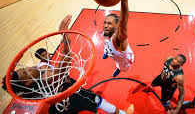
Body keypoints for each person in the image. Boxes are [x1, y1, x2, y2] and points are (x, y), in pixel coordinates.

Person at [2, 15, 134, 114]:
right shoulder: (46, 78)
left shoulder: (26, 91)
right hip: (70, 96)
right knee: (97, 101)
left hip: (57, 107)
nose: (28, 68)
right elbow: (64, 64)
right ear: (28, 83)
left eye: (24, 69)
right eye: (25, 73)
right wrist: (65, 39)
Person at [102, 0, 134, 77]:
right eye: (105, 22)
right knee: (106, 46)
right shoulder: (107, 32)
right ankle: (106, 52)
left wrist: (124, 0)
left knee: (121, 66)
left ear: (117, 27)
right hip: (111, 49)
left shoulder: (119, 38)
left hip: (123, 60)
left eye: (109, 23)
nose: (105, 26)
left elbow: (123, 21)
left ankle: (118, 69)